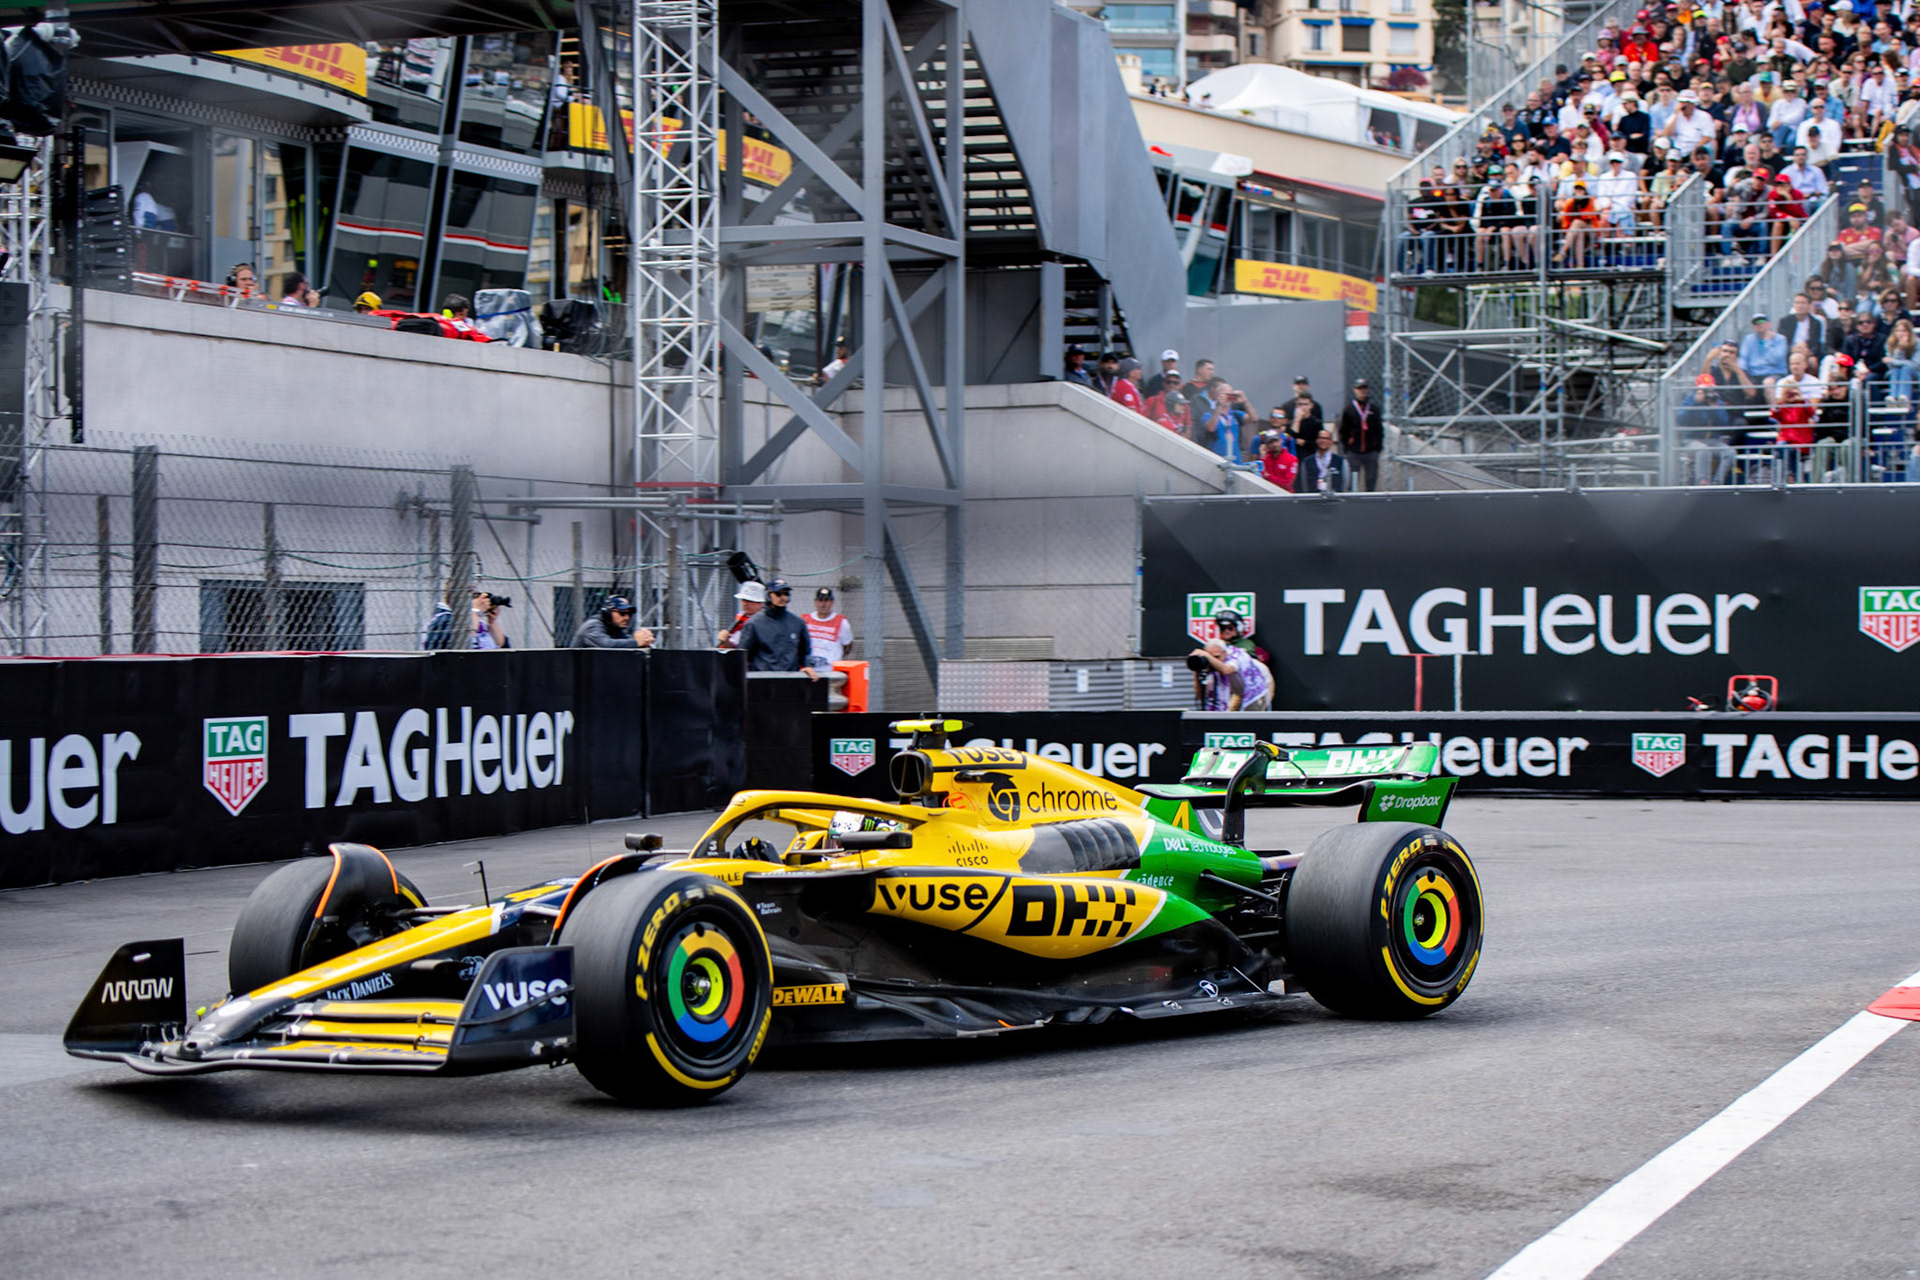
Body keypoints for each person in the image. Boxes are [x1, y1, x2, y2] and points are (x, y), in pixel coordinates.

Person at [737, 579, 818, 679]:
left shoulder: (797, 622)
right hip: (762, 680)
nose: (783, 597)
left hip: (790, 680)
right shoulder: (753, 624)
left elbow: (805, 652)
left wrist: (808, 666)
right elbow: (743, 655)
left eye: (786, 594)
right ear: (768, 595)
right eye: (778, 594)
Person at [1189, 638, 1273, 712]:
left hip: (1259, 684)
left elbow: (1225, 670)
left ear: (1225, 653)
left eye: (1217, 657)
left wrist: (1208, 656)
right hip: (1240, 690)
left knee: (1250, 716)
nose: (1213, 661)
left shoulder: (1235, 656)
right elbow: (1200, 695)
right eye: (1210, 657)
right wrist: (1197, 672)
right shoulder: (1212, 666)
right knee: (1230, 714)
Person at [1338, 378, 1384, 491]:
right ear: (1354, 390)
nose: (1362, 391)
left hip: (1371, 451)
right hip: (1354, 451)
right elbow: (1343, 430)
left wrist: (1377, 447)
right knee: (1352, 481)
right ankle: (1352, 502)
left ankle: (1370, 502)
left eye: (1364, 388)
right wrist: (1347, 448)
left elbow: (1379, 429)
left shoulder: (1373, 408)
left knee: (1371, 479)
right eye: (1359, 388)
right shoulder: (1349, 409)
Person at [572, 594, 655, 648]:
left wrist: (645, 642)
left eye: (629, 614)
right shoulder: (593, 625)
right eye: (622, 613)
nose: (627, 617)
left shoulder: (614, 629)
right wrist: (636, 642)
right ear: (607, 613)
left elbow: (625, 642)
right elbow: (606, 645)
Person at [804, 586, 853, 670]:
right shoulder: (805, 619)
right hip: (809, 670)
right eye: (820, 600)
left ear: (832, 602)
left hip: (830, 671)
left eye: (827, 600)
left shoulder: (841, 622)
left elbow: (847, 645)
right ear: (815, 602)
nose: (823, 604)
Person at [1296, 427, 1352, 493]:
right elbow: (1304, 483)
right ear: (1316, 440)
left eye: (1326, 438)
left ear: (1331, 442)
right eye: (1321, 438)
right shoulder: (1306, 462)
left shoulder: (1341, 461)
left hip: (1335, 499)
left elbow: (1345, 483)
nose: (1323, 441)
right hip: (1313, 499)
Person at [717, 579, 767, 647]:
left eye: (749, 600)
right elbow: (736, 646)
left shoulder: (766, 621)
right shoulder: (741, 619)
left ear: (760, 603)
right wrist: (725, 641)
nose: (745, 604)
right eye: (743, 600)